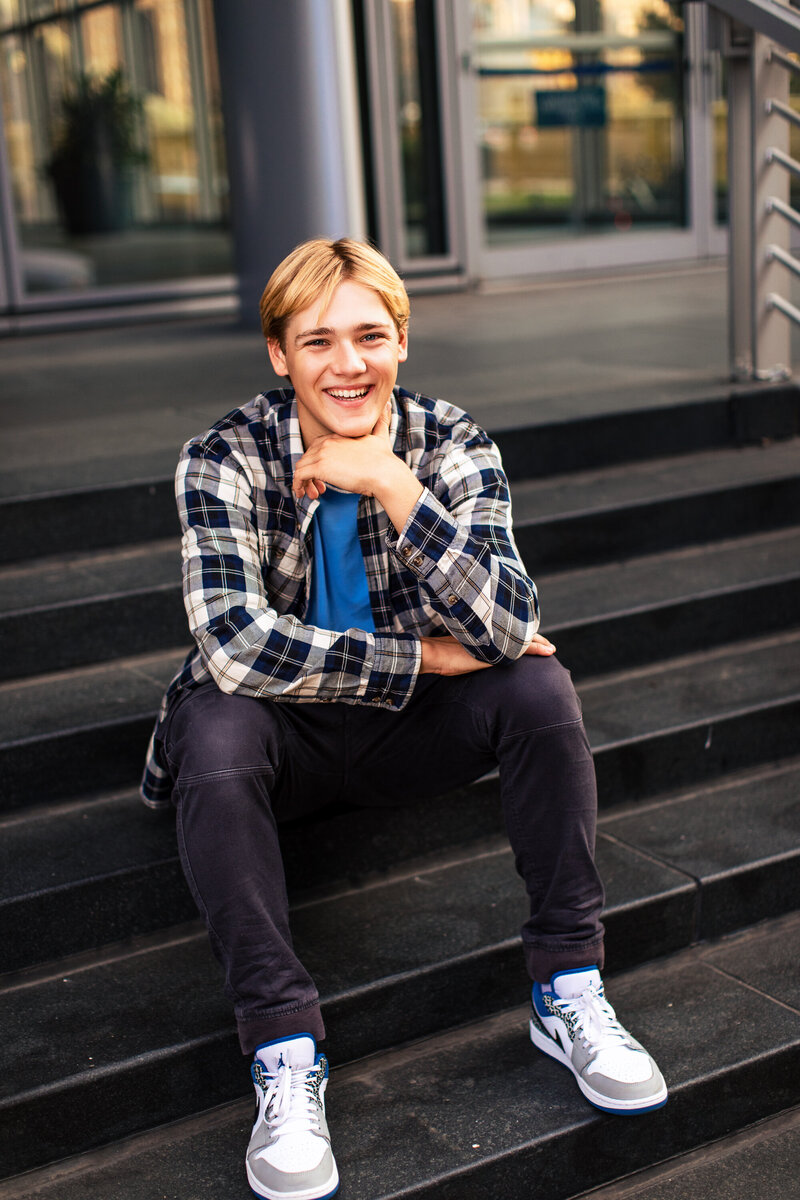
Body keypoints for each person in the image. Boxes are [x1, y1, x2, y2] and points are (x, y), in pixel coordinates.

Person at [141, 238, 667, 1200]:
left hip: (401, 736)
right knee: (213, 729)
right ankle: (284, 1048)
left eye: (371, 337)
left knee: (541, 691)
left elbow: (512, 626)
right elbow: (234, 649)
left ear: (403, 341)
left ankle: (568, 988)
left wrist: (389, 481)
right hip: (277, 740)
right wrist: (423, 656)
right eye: (318, 342)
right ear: (277, 354)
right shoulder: (223, 456)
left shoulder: (450, 440)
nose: (348, 364)